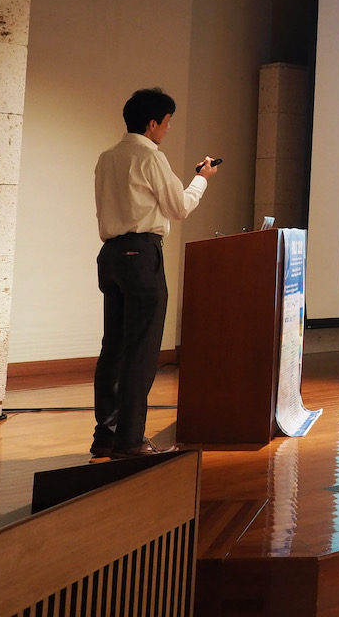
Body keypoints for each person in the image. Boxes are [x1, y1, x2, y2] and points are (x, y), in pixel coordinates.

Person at [91, 88, 218, 458]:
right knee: (142, 350)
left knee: (113, 348)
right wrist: (202, 179)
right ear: (152, 124)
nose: (167, 129)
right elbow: (179, 207)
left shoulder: (107, 157)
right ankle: (131, 440)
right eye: (167, 122)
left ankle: (106, 435)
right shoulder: (150, 156)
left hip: (111, 255)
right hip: (142, 253)